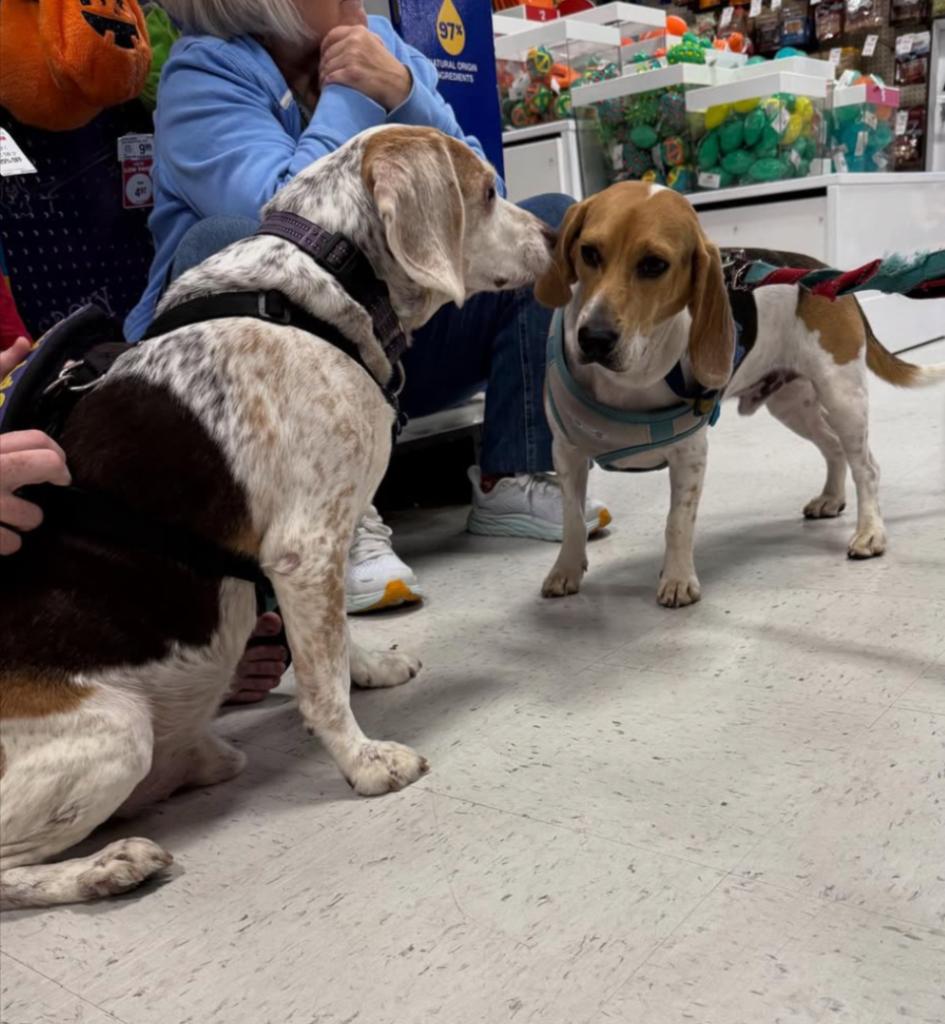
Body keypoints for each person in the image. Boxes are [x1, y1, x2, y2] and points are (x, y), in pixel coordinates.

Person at [126, 0, 609, 699]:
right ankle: (334, 521)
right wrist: (353, 99)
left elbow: (477, 195)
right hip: (265, 366)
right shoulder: (204, 73)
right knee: (222, 234)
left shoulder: (380, 44)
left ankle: (515, 476)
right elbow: (281, 220)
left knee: (550, 226)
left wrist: (403, 93)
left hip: (386, 335)